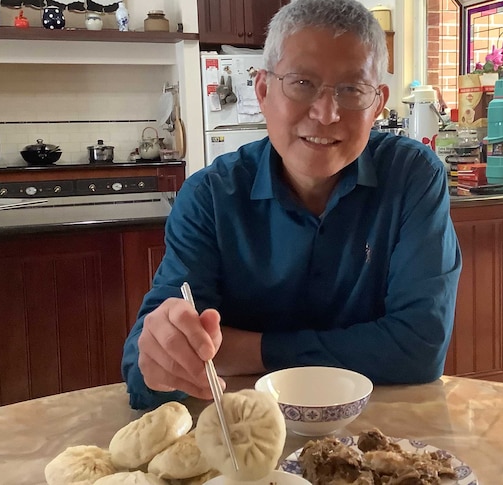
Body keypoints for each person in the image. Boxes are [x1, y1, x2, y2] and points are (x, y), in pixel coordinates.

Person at [121, 0, 462, 410]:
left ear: (377, 103)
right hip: (246, 443)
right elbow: (143, 374)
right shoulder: (209, 199)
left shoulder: (411, 177)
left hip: (381, 438)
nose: (326, 113)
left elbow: (420, 347)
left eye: (352, 89)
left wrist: (247, 351)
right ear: (263, 90)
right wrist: (164, 354)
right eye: (302, 83)